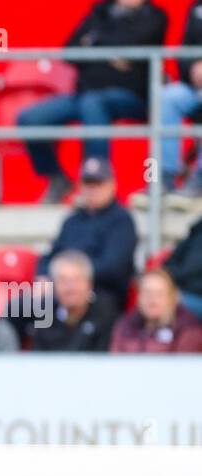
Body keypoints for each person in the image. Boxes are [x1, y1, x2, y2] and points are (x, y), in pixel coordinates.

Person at [17, 0, 169, 203]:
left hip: (131, 97)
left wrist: (94, 43)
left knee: (94, 104)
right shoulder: (100, 11)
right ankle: (56, 178)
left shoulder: (155, 16)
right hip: (85, 94)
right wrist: (113, 56)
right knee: (30, 119)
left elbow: (138, 45)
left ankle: (96, 185)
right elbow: (69, 51)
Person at [35, 157, 136, 309]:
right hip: (63, 291)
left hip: (101, 293)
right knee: (19, 307)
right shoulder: (72, 220)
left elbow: (114, 267)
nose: (92, 190)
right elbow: (52, 254)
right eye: (88, 184)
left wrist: (75, 277)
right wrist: (43, 275)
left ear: (112, 185)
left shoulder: (121, 220)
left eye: (98, 184)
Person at [30, 249, 117, 350]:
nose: (70, 288)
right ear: (54, 286)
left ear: (89, 284)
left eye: (76, 280)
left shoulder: (105, 315)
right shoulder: (45, 316)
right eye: (63, 280)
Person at [158, 0, 202, 197]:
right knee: (166, 98)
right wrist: (193, 67)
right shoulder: (196, 7)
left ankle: (199, 179)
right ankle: (164, 178)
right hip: (195, 86)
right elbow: (183, 52)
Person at [111, 268, 202, 352]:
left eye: (159, 294)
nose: (152, 299)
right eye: (147, 293)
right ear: (138, 297)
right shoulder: (126, 324)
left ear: (173, 297)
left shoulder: (189, 327)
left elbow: (185, 366)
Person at [161, 213, 202, 317]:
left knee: (160, 303)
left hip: (194, 294)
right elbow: (171, 260)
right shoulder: (197, 230)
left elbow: (193, 268)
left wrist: (169, 277)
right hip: (183, 289)